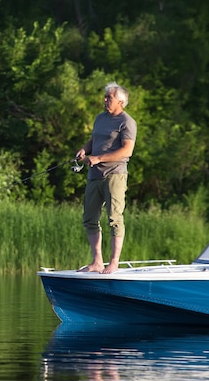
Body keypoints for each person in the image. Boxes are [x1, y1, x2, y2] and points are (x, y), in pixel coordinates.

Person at [75, 81, 137, 274]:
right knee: (89, 218)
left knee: (114, 219)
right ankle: (97, 262)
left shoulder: (127, 122)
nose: (105, 100)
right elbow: (94, 139)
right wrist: (85, 150)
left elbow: (127, 150)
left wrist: (99, 157)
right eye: (106, 96)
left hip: (115, 175)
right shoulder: (100, 118)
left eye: (109, 97)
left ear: (120, 101)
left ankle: (114, 262)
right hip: (94, 175)